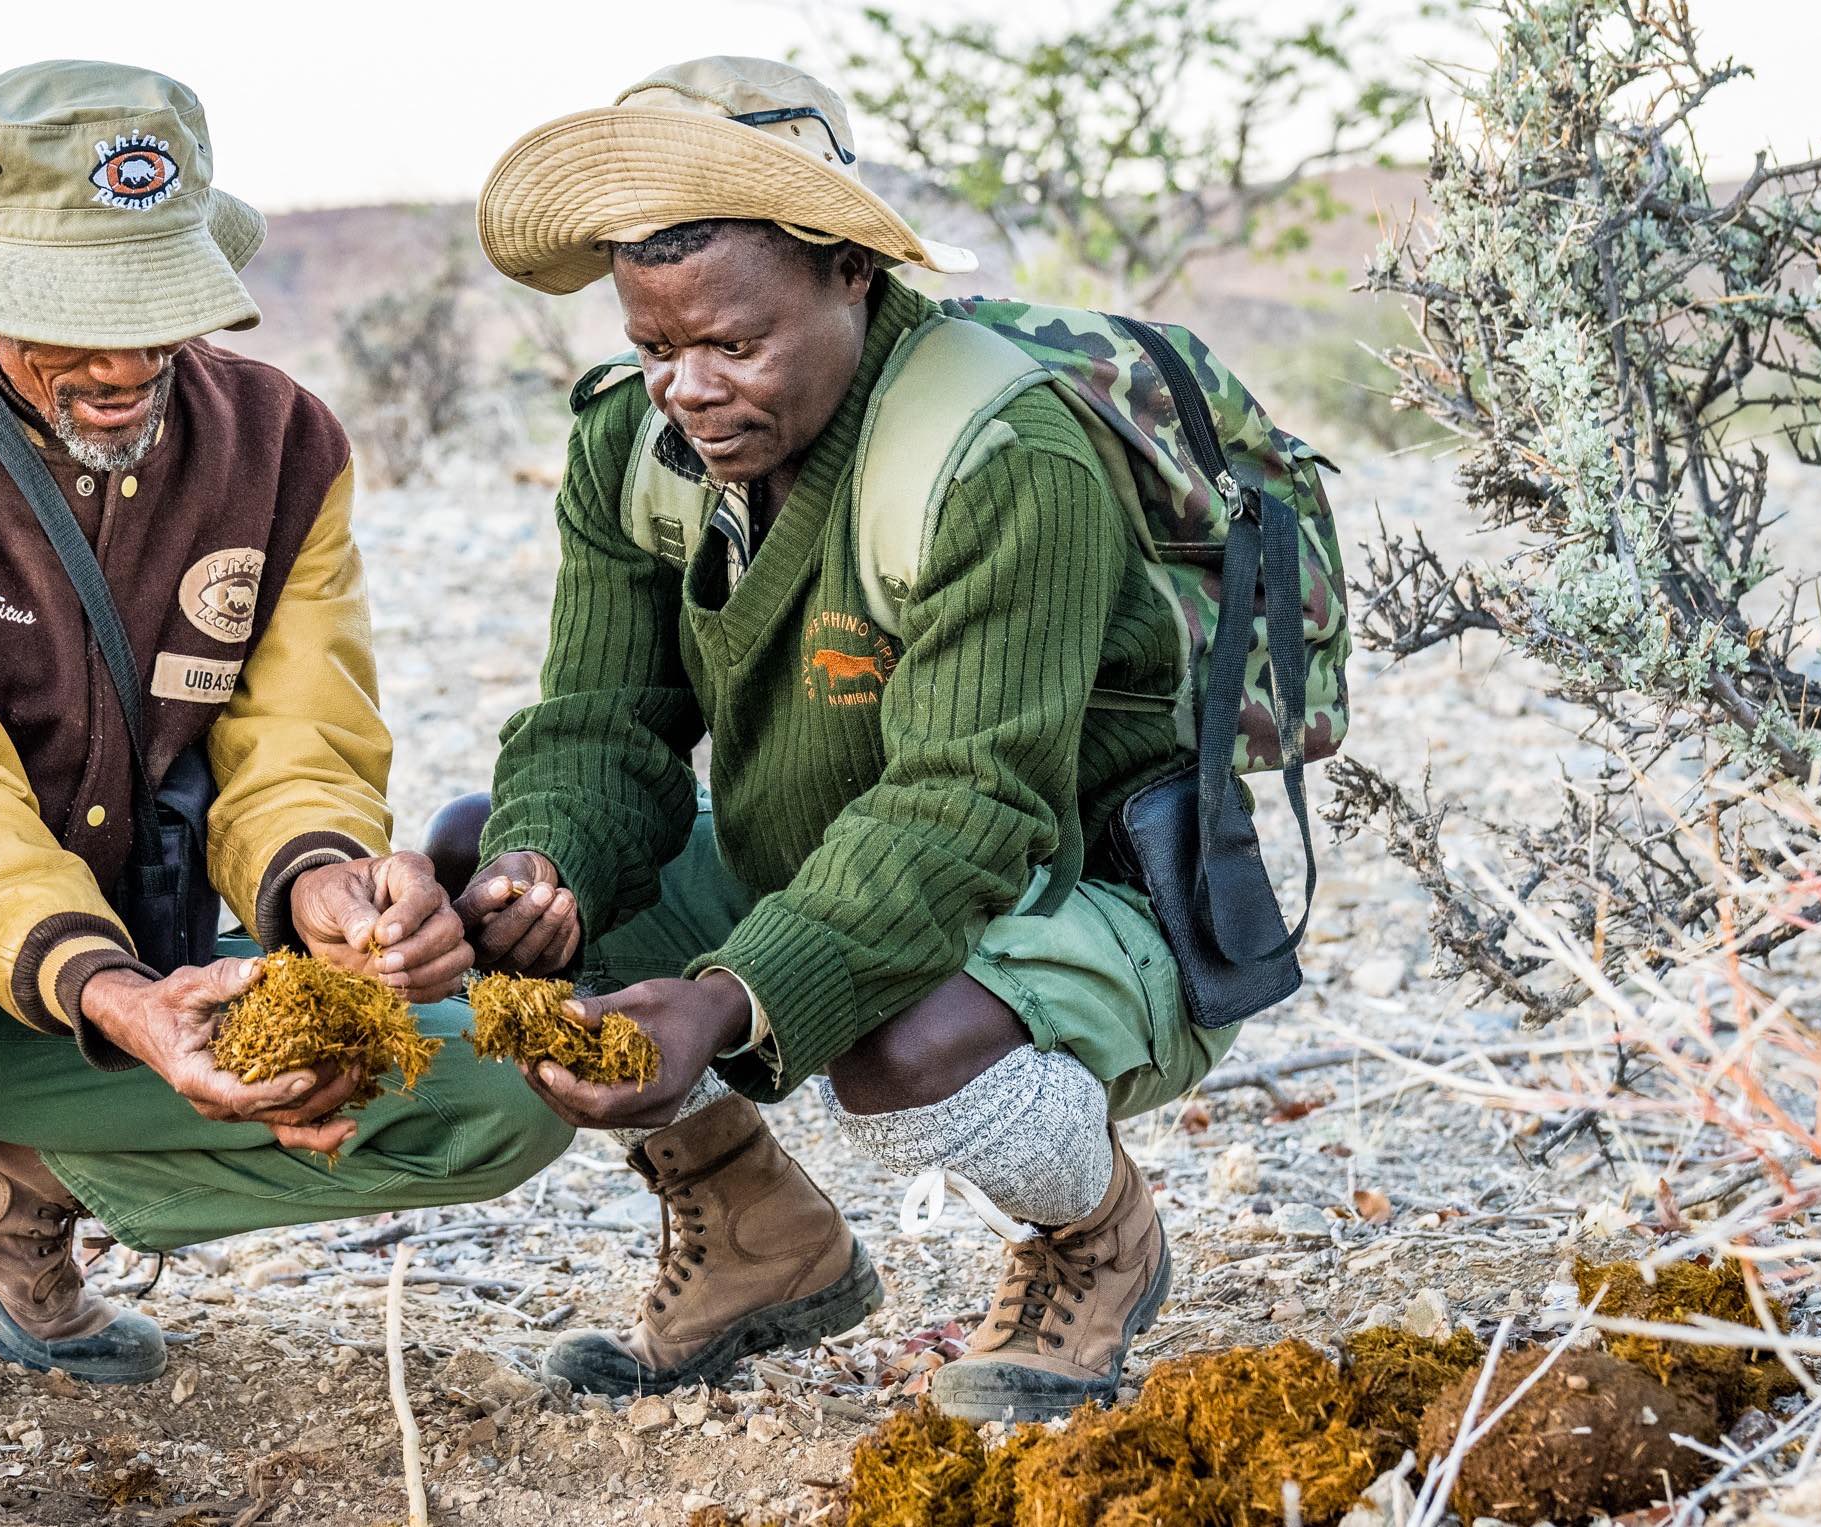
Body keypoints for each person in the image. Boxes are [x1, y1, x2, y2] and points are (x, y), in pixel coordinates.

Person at [0, 60, 570, 1499]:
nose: (125, 363)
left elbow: (294, 740)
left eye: (156, 313)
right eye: (72, 322)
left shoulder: (283, 449)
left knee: (498, 1095)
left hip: (96, 999)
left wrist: (329, 892)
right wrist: (114, 993)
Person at [449, 57, 1246, 1423]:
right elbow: (604, 721)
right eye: (656, 350)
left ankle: (1097, 1236)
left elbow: (965, 812)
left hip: (1081, 887)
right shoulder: (632, 449)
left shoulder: (1004, 453)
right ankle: (760, 1239)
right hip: (818, 851)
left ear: (851, 275)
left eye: (735, 346)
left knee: (897, 1040)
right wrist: (545, 860)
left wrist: (727, 1002)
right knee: (491, 870)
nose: (689, 390)